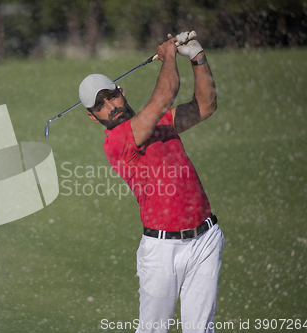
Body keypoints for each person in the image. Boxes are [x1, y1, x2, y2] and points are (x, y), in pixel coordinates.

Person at [79, 32, 224, 333]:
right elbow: (166, 94)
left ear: (121, 91)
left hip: (206, 238)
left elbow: (206, 106)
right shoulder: (117, 141)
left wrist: (197, 57)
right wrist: (169, 54)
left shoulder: (163, 121)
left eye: (111, 96)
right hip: (161, 251)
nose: (111, 106)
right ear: (94, 118)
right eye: (101, 106)